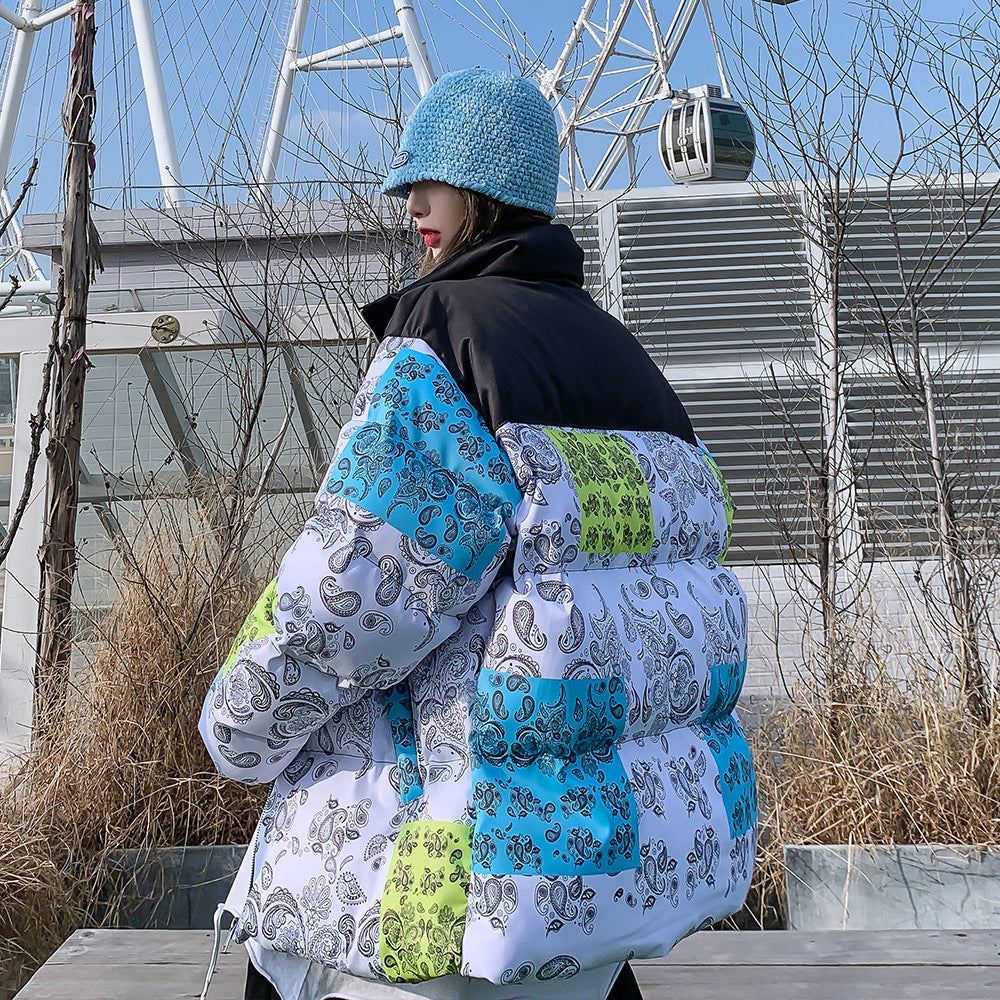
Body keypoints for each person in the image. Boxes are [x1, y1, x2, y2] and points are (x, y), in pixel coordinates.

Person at [200, 69, 756, 1000]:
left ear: (486, 190)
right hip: (584, 893)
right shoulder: (627, 359)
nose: (411, 203)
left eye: (433, 180)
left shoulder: (446, 333)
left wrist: (239, 723)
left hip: (436, 887)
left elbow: (365, 581)